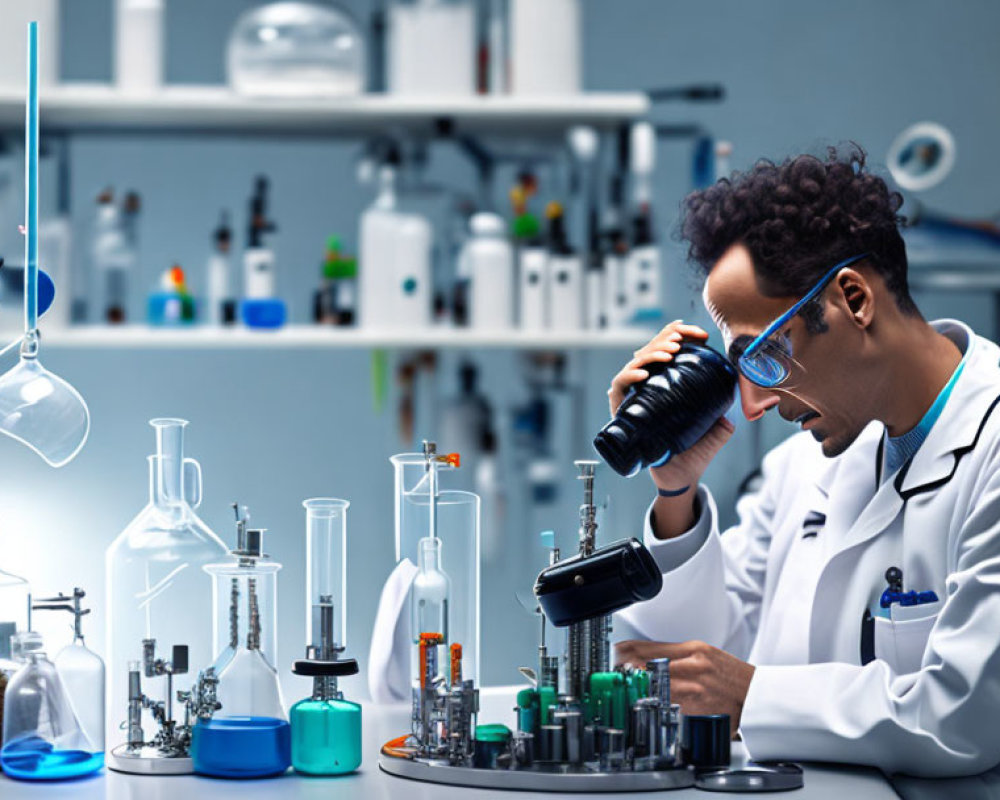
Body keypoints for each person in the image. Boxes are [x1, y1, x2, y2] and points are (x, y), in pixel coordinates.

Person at [609, 145, 1000, 778]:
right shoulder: (801, 468)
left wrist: (753, 697)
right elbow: (713, 661)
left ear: (853, 299)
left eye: (764, 356)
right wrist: (675, 489)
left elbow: (964, 715)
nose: (757, 403)